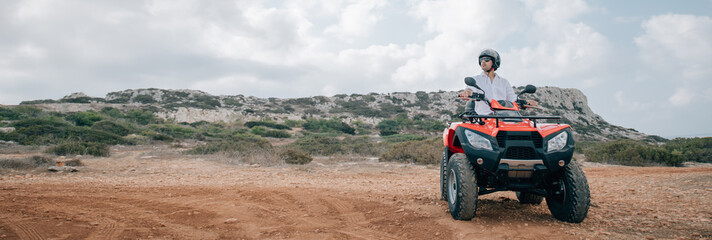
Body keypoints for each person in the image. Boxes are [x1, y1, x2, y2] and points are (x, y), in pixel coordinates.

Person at [459, 48, 536, 115]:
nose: (483, 62)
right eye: (481, 60)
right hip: (483, 119)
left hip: (502, 118)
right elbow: (469, 89)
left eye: (486, 59)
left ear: (494, 62)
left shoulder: (504, 82)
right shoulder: (476, 80)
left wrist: (526, 102)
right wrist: (466, 92)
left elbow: (513, 99)